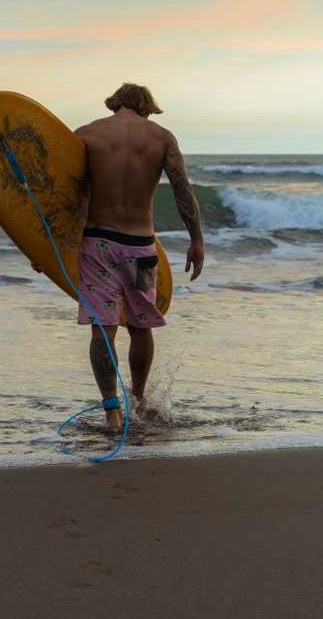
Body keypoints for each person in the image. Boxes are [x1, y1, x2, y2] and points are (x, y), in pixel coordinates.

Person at [32, 83, 204, 428]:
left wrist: (43, 247)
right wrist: (196, 239)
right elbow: (182, 189)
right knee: (141, 326)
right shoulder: (162, 138)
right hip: (142, 250)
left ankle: (112, 411)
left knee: (103, 329)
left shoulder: (86, 134)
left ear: (115, 104)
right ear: (148, 107)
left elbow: (60, 196)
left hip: (97, 246)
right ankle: (138, 401)